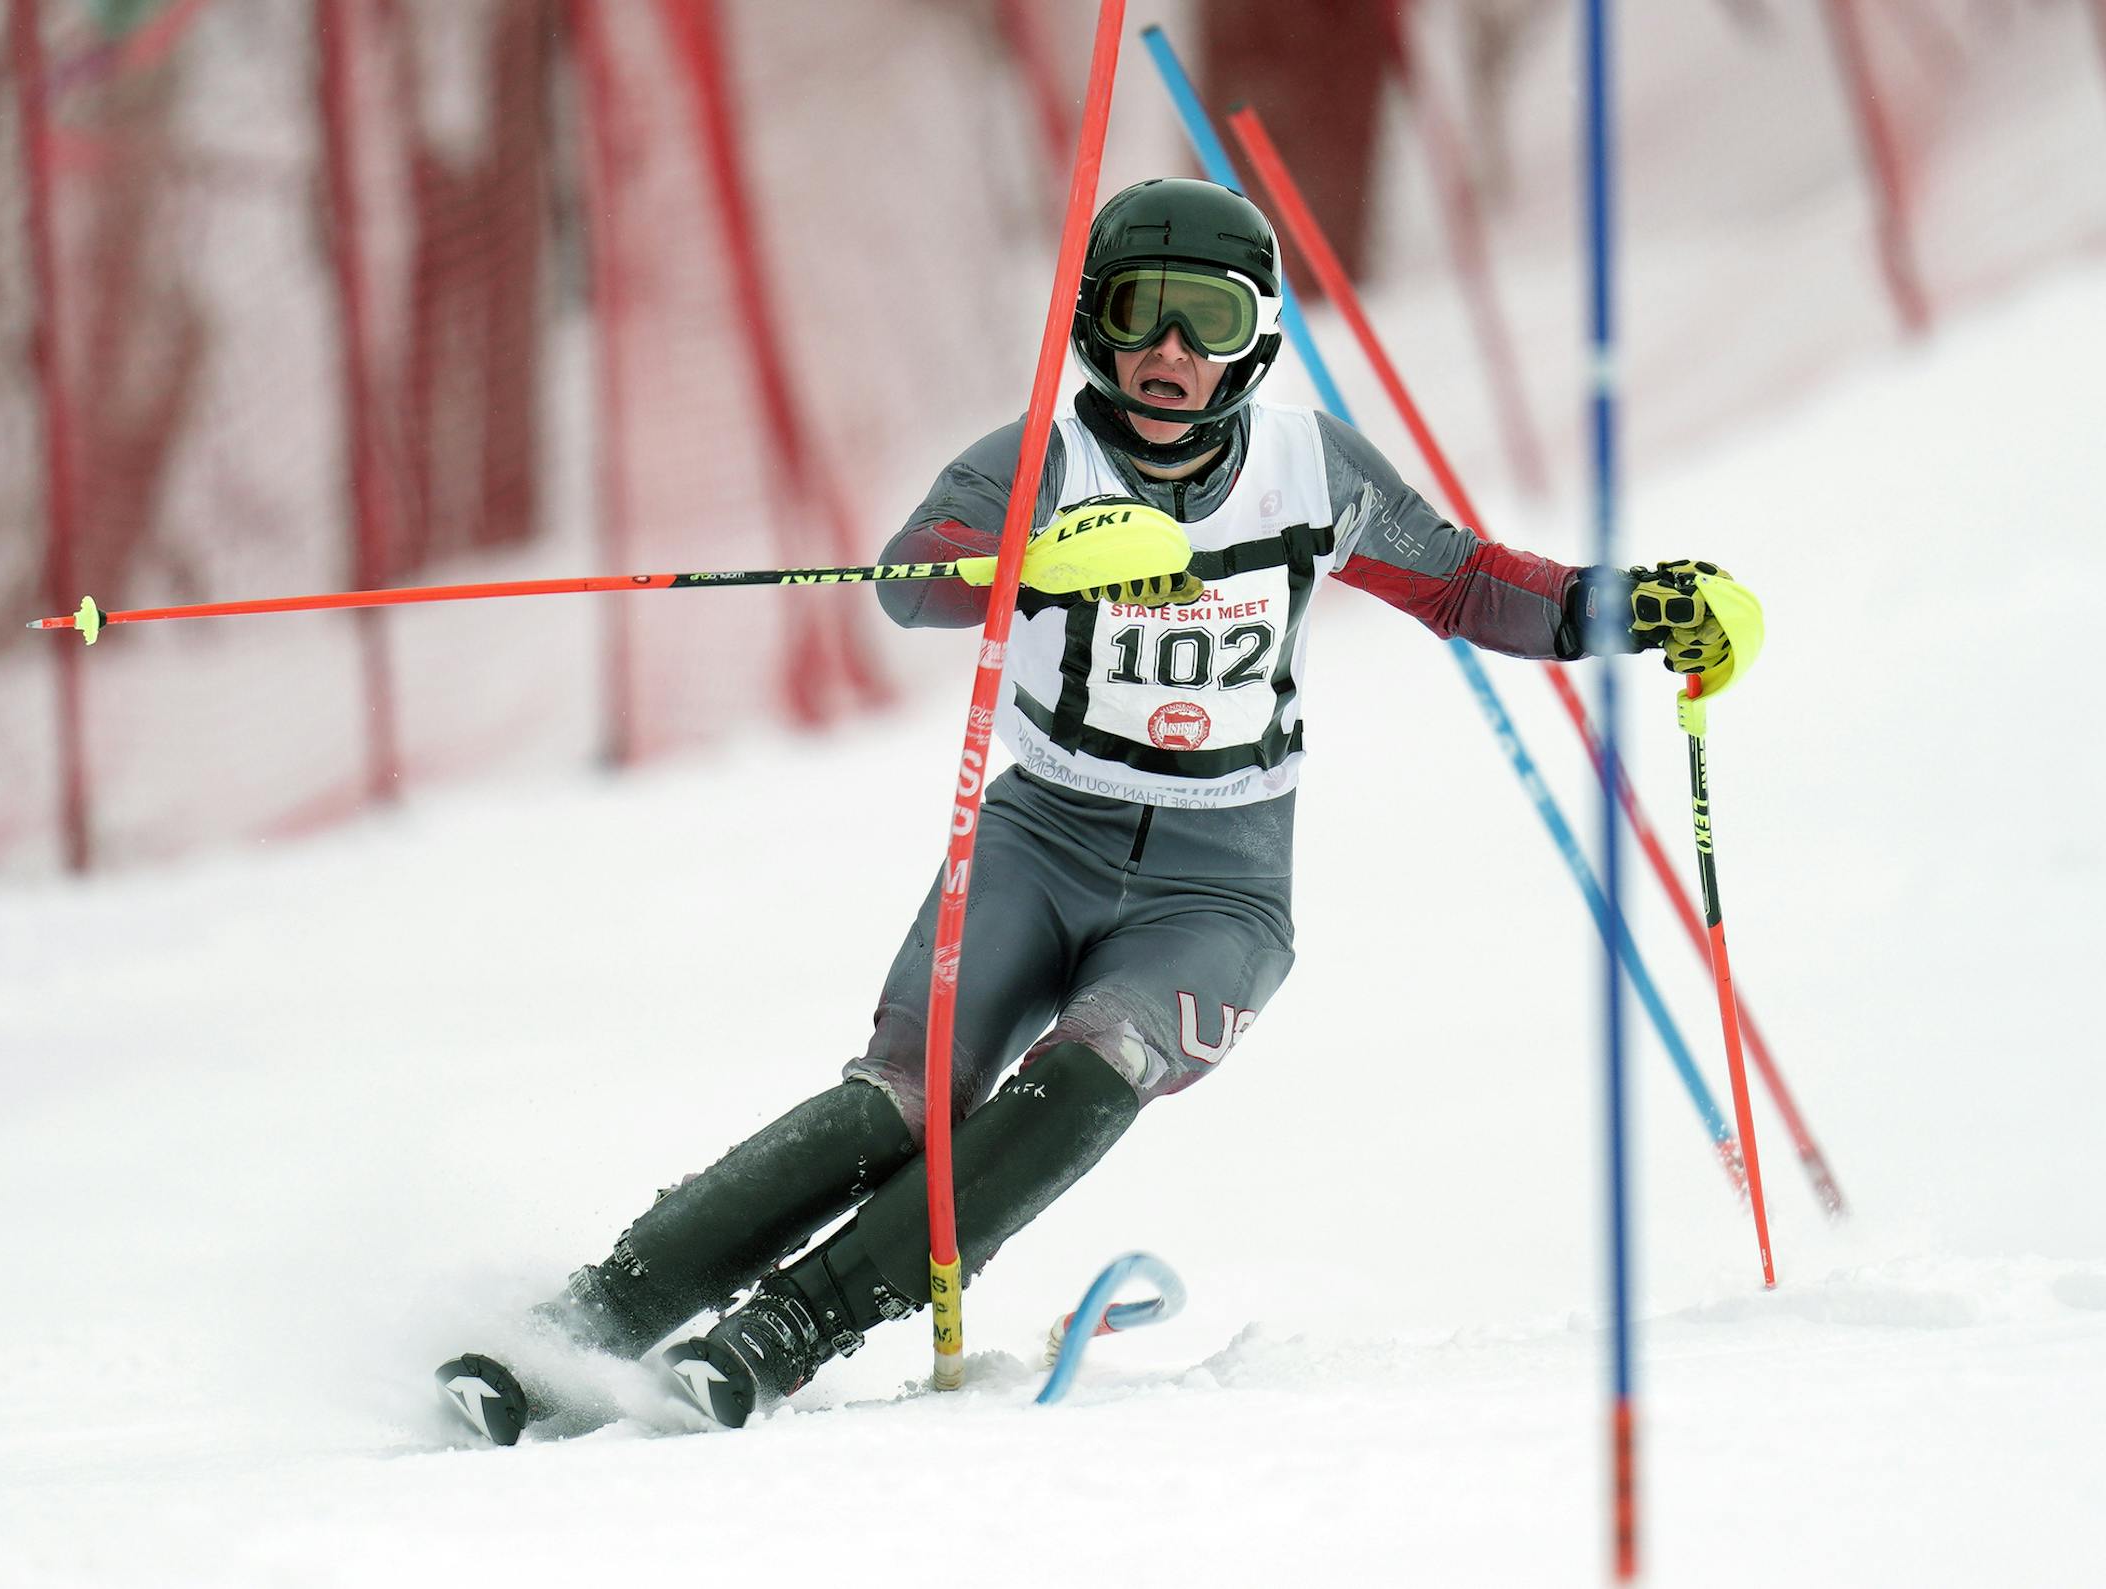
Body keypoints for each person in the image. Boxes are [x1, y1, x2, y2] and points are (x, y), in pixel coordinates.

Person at [435, 178, 1740, 1444]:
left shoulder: (1309, 468)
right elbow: (907, 579)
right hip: (1038, 836)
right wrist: (1029, 560)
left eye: (1208, 319)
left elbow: (1465, 587)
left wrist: (1629, 607)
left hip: (1216, 877)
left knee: (1096, 1062)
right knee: (905, 1096)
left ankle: (785, 1331)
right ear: (1090, 326)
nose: (1170, 352)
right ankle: (582, 1326)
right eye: (1136, 313)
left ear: (1260, 337)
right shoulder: (1039, 460)